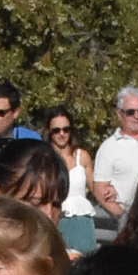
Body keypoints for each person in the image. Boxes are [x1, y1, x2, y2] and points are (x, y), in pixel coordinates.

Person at [90, 85, 138, 226]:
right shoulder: (109, 147)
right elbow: (99, 189)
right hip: (129, 220)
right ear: (120, 114)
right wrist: (121, 215)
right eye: (131, 112)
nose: (137, 116)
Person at [40, 105, 99, 256]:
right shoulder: (43, 158)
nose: (62, 134)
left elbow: (95, 188)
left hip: (82, 222)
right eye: (56, 130)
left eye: (66, 129)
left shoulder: (82, 156)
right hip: (56, 220)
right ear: (49, 132)